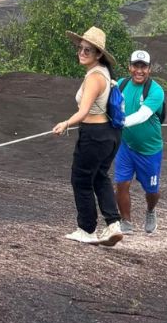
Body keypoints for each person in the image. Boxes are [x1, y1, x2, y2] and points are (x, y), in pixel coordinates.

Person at [52, 26, 123, 247]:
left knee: (81, 180)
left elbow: (83, 112)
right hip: (109, 135)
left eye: (88, 51)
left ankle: (87, 229)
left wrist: (65, 123)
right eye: (81, 49)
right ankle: (113, 224)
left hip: (94, 135)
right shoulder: (105, 72)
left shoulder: (94, 77)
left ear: (98, 54)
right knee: (100, 176)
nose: (82, 53)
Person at [114, 49, 165, 235]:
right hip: (126, 145)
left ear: (149, 69)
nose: (139, 70)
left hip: (150, 149)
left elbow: (143, 115)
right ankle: (125, 221)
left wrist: (120, 123)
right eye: (136, 66)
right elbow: (110, 105)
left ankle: (151, 211)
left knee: (152, 191)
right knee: (122, 184)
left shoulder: (156, 91)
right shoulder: (121, 84)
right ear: (130, 67)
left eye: (144, 67)